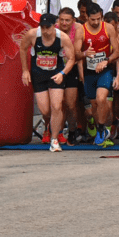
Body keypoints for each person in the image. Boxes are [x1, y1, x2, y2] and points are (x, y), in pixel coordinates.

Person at [20, 14, 76, 152]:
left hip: (55, 73)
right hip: (38, 74)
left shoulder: (62, 37)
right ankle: (52, 125)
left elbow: (71, 58)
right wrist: (25, 71)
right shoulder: (33, 34)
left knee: (56, 106)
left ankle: (55, 139)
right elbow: (22, 48)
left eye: (48, 27)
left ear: (54, 25)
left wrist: (62, 73)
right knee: (45, 110)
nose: (45, 31)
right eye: (43, 27)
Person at [78, 3, 119, 147]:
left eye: (98, 19)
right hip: (89, 71)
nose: (96, 22)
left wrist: (106, 61)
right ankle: (99, 128)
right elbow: (74, 53)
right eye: (93, 20)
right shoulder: (81, 31)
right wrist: (84, 54)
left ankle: (102, 128)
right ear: (86, 17)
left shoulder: (108, 28)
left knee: (101, 98)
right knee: (95, 105)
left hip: (105, 70)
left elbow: (117, 51)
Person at [56, 7, 85, 145]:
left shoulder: (78, 28)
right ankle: (58, 132)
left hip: (71, 68)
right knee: (58, 104)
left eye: (67, 20)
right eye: (61, 20)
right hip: (56, 68)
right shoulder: (53, 28)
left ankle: (72, 131)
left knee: (71, 104)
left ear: (73, 20)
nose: (64, 23)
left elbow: (76, 53)